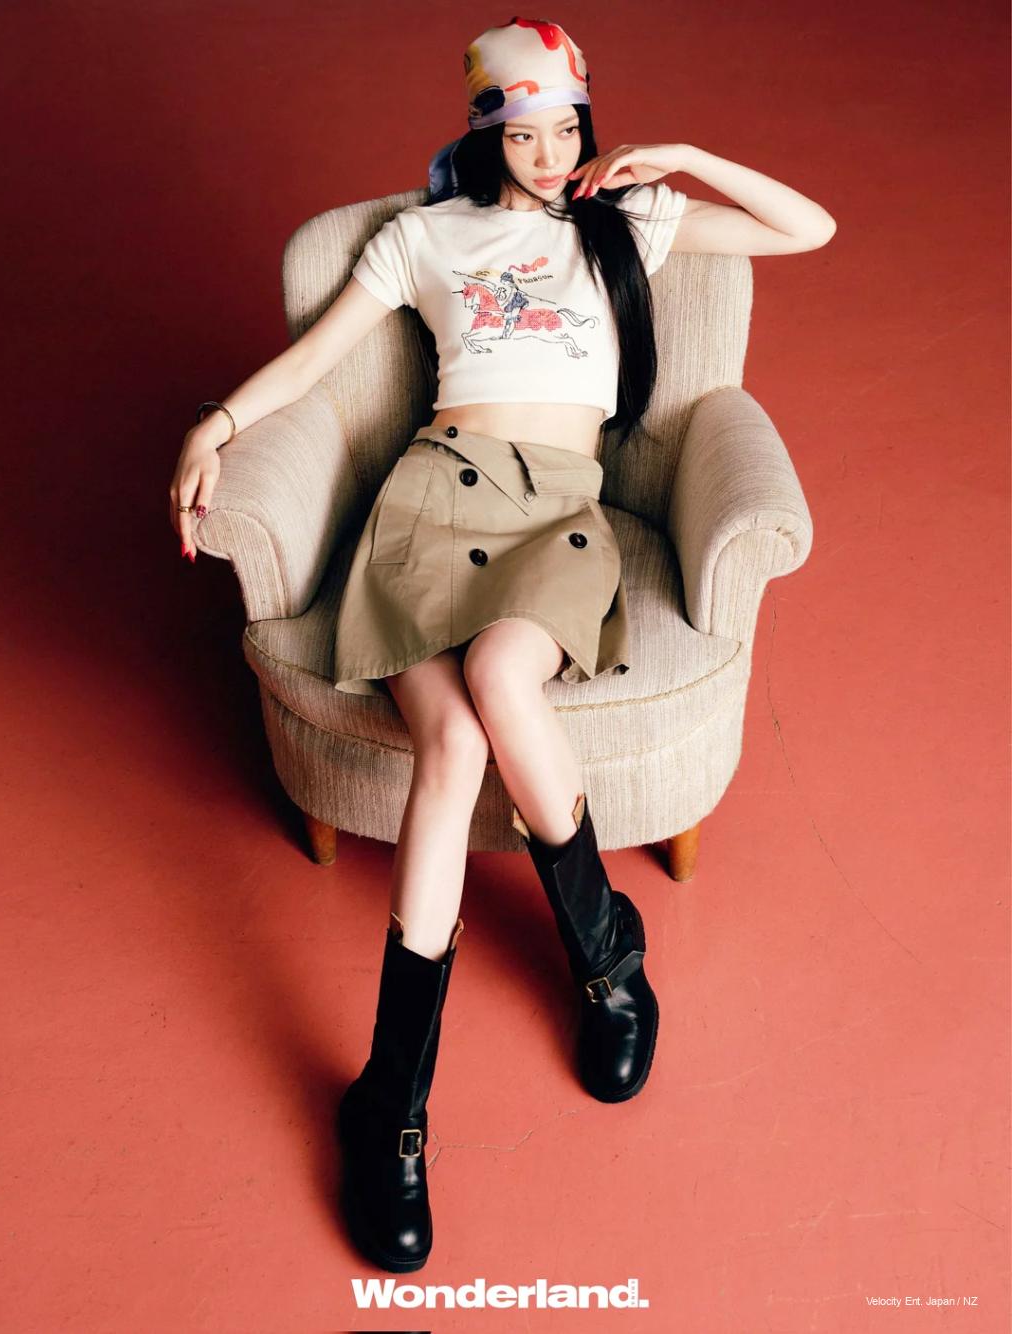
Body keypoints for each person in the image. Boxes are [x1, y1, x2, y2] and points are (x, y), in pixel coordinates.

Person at [168, 16, 836, 1275]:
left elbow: (810, 230)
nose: (547, 153)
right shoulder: (421, 237)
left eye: (565, 128)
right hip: (429, 506)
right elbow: (310, 364)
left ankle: (606, 959)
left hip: (554, 516)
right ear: (485, 135)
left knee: (498, 679)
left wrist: (682, 158)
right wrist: (213, 427)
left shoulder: (625, 222)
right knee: (451, 744)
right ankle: (392, 1101)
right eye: (523, 133)